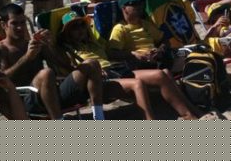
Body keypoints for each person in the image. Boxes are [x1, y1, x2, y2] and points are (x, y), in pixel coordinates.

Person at [58, 10, 203, 120]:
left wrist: (134, 53)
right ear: (67, 33)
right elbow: (71, 72)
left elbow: (112, 53)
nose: (80, 29)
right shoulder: (67, 50)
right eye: (74, 27)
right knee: (137, 84)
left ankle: (188, 114)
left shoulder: (94, 42)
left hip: (115, 70)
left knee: (162, 74)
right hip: (99, 80)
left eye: (82, 25)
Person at [0, 3, 106, 120]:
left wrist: (51, 45)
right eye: (14, 23)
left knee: (91, 63)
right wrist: (27, 57)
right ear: (3, 25)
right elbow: (1, 79)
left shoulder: (34, 44)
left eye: (22, 22)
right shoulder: (0, 49)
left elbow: (63, 65)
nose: (20, 27)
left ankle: (99, 117)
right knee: (46, 73)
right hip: (25, 100)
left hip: (51, 95)